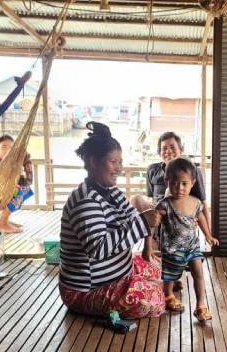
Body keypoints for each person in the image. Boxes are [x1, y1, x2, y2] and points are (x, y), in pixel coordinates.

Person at [58, 122, 166, 319]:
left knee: (161, 269)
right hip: (86, 291)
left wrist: (147, 228)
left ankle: (136, 281)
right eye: (113, 162)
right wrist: (143, 222)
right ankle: (139, 287)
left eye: (120, 162)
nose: (119, 168)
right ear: (94, 162)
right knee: (152, 297)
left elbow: (135, 219)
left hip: (120, 273)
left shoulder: (111, 192)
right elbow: (98, 249)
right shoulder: (85, 200)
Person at [155, 157, 219, 322]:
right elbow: (152, 223)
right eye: (174, 183)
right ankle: (168, 295)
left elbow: (201, 218)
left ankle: (200, 306)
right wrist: (149, 245)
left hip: (192, 247)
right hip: (171, 249)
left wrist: (208, 235)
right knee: (170, 275)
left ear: (193, 182)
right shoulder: (165, 204)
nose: (179, 188)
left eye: (184, 183)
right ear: (167, 181)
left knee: (198, 273)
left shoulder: (196, 202)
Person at [130, 132, 210, 229]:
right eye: (164, 148)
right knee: (135, 199)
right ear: (159, 152)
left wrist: (208, 234)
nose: (168, 151)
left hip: (180, 218)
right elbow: (151, 198)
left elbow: (203, 202)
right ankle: (151, 236)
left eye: (172, 147)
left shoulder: (192, 170)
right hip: (158, 217)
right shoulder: (152, 170)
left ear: (181, 150)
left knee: (169, 191)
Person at [0, 133, 34, 233]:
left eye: (11, 148)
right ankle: (1, 223)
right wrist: (16, 172)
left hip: (0, 200)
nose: (8, 151)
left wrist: (26, 157)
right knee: (19, 189)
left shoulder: (10, 164)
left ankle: (4, 220)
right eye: (4, 147)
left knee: (24, 188)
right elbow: (1, 184)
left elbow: (28, 181)